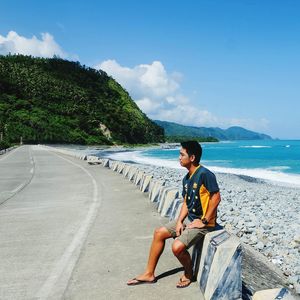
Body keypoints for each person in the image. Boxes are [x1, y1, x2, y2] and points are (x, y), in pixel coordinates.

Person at [127, 141, 221, 288]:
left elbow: (216, 198)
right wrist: (179, 221)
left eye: (182, 154)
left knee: (177, 247)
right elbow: (185, 202)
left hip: (204, 224)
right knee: (159, 233)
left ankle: (189, 274)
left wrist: (204, 220)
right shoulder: (187, 178)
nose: (179, 157)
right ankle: (149, 273)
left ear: (192, 158)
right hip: (189, 219)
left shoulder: (205, 174)